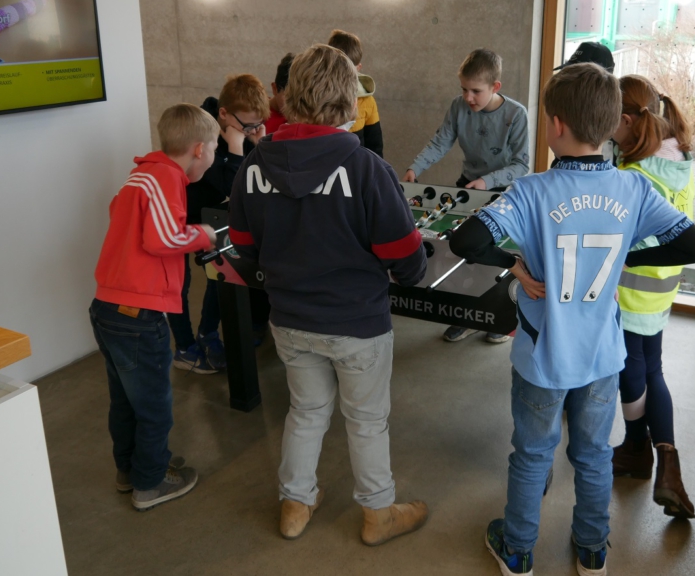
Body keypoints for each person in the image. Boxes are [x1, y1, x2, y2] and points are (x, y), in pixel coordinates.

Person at [449, 63, 695, 576]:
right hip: (603, 357)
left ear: (555, 125)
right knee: (593, 456)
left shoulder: (530, 190)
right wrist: (628, 256)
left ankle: (518, 550)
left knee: (532, 454)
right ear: (611, 124)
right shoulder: (634, 190)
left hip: (541, 358)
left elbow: (466, 241)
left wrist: (514, 265)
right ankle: (593, 550)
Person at [228, 44, 429, 545]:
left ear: (288, 98)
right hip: (357, 325)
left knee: (305, 412)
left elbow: (246, 248)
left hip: (290, 321)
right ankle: (378, 515)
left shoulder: (252, 166)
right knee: (366, 421)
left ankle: (295, 505)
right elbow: (408, 263)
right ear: (350, 103)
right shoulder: (367, 169)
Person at [89, 104, 219, 511]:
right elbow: (163, 238)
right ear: (199, 149)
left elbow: (120, 215)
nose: (213, 156)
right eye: (215, 148)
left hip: (108, 307)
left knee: (127, 400)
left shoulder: (141, 174)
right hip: (137, 316)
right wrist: (205, 234)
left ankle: (132, 469)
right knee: (155, 406)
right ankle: (150, 483)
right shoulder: (166, 177)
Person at [610, 75, 695, 519]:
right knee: (652, 369)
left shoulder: (634, 175)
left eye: (609, 119)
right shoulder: (678, 161)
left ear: (627, 121)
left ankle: (638, 451)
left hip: (631, 289)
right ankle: (665, 466)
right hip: (663, 286)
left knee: (631, 372)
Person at [403, 48, 529, 344]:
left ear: (495, 87)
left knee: (493, 256)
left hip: (502, 194)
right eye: (464, 89)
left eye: (476, 91)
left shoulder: (516, 114)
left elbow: (521, 165)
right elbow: (440, 142)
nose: (468, 97)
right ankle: (467, 316)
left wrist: (488, 181)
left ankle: (497, 319)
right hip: (467, 188)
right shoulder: (458, 106)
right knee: (460, 252)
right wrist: (414, 167)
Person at [169, 75, 270, 374]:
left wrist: (259, 145)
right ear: (223, 114)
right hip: (178, 218)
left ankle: (208, 333)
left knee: (218, 275)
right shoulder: (201, 134)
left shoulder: (241, 131)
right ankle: (184, 347)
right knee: (179, 285)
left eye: (257, 126)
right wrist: (237, 148)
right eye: (247, 126)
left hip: (211, 218)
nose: (250, 131)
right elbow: (229, 185)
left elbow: (255, 180)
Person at [327, 29, 383, 157]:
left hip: (356, 165)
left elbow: (375, 147)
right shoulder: (318, 96)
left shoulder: (367, 101)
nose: (343, 76)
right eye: (338, 69)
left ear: (358, 68)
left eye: (349, 71)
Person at [264, 52, 295, 134]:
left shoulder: (308, 118)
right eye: (288, 97)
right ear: (275, 89)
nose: (294, 104)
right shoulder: (255, 116)